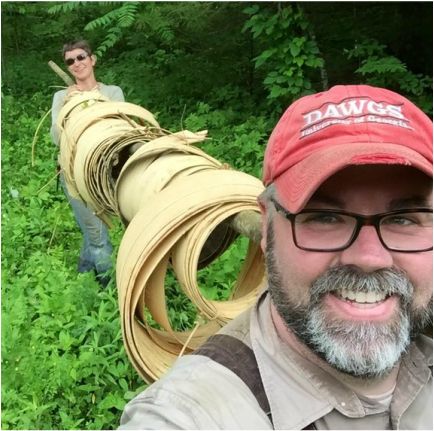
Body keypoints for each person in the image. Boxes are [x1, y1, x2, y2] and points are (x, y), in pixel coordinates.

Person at [119, 85, 433, 429]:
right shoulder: (190, 413)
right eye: (325, 217)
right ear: (267, 226)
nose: (370, 257)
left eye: (405, 219)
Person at [50, 40, 125, 287]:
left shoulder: (112, 93)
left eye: (81, 57)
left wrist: (95, 101)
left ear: (92, 59)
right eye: (70, 61)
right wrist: (67, 104)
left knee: (94, 226)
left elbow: (122, 131)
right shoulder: (61, 96)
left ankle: (84, 272)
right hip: (73, 174)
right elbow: (56, 138)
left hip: (104, 173)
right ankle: (107, 288)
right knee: (98, 237)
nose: (76, 64)